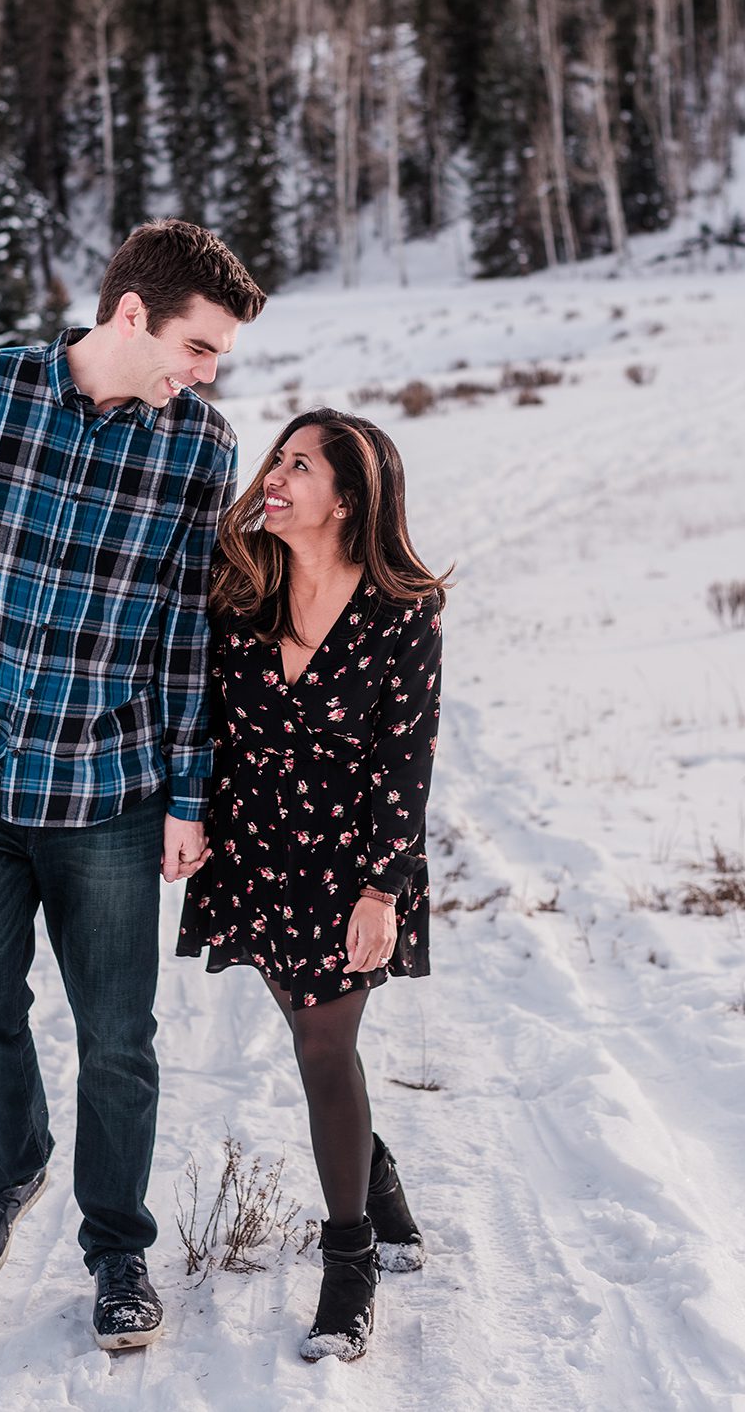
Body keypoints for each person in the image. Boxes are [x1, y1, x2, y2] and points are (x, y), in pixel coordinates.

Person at [0, 219, 265, 1350]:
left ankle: (119, 1249)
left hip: (112, 786)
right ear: (133, 315)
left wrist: (189, 794)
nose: (206, 376)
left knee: (119, 1035)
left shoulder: (198, 448)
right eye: (199, 349)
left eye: (220, 362)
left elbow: (188, 641)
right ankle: (8, 1171)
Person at [177, 406, 447, 1363]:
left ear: (347, 501)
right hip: (254, 851)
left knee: (327, 1046)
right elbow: (201, 719)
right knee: (306, 1035)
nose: (275, 478)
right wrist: (191, 814)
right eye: (277, 459)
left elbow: (405, 757)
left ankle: (351, 1260)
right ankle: (382, 1188)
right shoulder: (235, 587)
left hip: (349, 863)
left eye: (300, 467)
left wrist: (382, 889)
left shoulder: (401, 614)